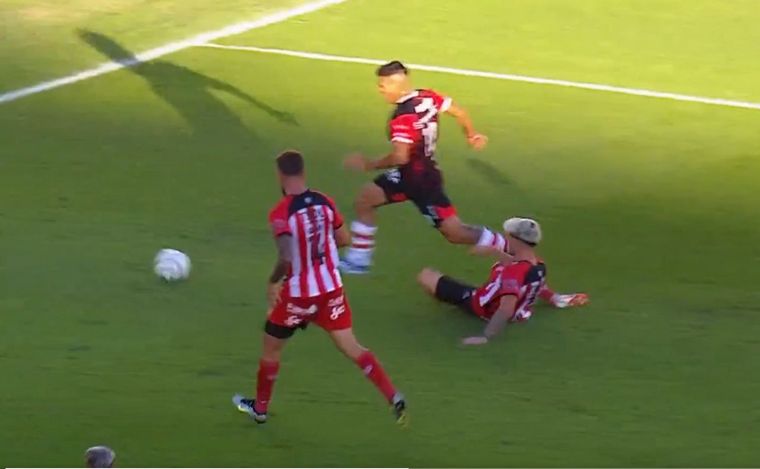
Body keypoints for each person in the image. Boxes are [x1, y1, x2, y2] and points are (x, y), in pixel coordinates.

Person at [233, 150, 407, 425]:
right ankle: (392, 394)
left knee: (271, 347)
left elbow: (287, 255)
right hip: (331, 290)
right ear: (303, 173)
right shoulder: (325, 202)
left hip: (298, 295)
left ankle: (261, 409)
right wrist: (319, 248)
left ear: (280, 175)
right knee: (352, 346)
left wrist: (272, 281)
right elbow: (344, 238)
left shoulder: (281, 212)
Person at [340, 60, 506, 274]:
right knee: (365, 199)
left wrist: (369, 164)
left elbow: (400, 156)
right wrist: (471, 134)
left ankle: (503, 244)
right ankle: (359, 261)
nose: (380, 90)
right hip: (413, 174)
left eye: (383, 85)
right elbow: (459, 112)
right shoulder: (427, 96)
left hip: (420, 181)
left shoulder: (402, 117)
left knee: (454, 233)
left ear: (396, 84)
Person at [416, 217, 589, 345]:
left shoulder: (513, 273)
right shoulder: (537, 264)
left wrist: (485, 336)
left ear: (515, 239)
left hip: (480, 305)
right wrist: (555, 298)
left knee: (426, 276)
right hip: (520, 313)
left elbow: (506, 308)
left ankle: (447, 301)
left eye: (509, 235)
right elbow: (536, 285)